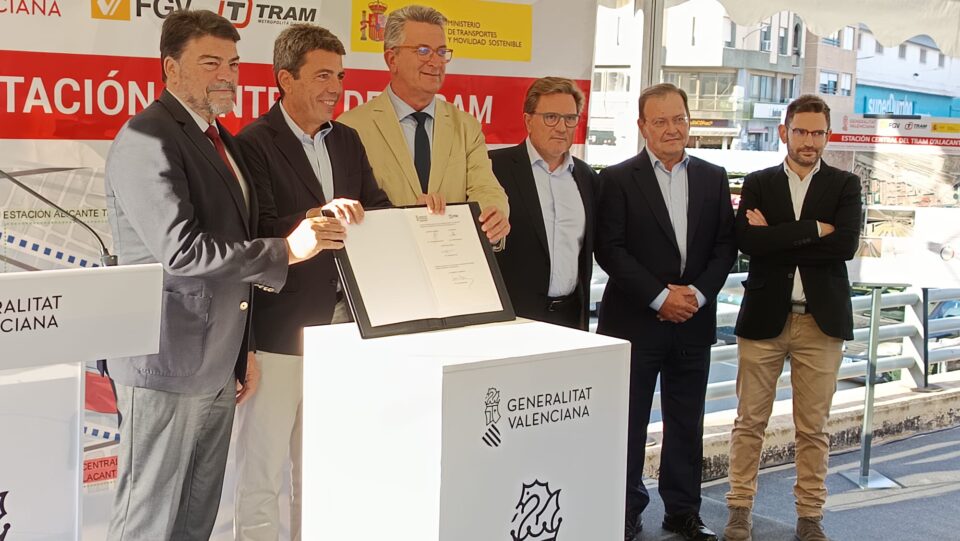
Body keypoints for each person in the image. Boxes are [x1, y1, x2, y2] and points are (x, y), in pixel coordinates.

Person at [102, 10, 338, 540]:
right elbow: (181, 250)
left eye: (232, 63)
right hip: (164, 363)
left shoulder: (222, 141)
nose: (227, 75)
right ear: (171, 68)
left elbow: (234, 249)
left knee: (196, 518)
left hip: (217, 364)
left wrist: (242, 349)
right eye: (211, 63)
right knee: (147, 521)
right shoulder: (146, 137)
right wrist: (287, 249)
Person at [233, 24, 392, 541]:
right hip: (279, 331)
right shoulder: (252, 143)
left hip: (344, 329)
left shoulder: (347, 139)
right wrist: (319, 215)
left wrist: (417, 216)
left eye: (340, 76)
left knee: (322, 469)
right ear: (286, 79)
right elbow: (258, 232)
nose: (335, 87)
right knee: (261, 473)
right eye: (322, 75)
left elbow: (374, 209)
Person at [595, 83, 737, 541]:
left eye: (679, 119)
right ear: (642, 127)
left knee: (686, 423)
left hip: (693, 321)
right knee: (628, 424)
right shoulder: (616, 178)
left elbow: (725, 246)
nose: (672, 129)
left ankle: (683, 512)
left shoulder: (714, 176)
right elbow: (609, 249)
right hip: (635, 322)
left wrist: (695, 294)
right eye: (660, 121)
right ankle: (625, 510)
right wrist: (660, 297)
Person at [723, 95, 862, 541]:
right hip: (765, 318)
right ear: (784, 132)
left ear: (827, 135)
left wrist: (777, 236)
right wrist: (814, 230)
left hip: (821, 323)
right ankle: (739, 509)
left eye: (817, 133)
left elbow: (845, 246)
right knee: (749, 422)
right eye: (801, 131)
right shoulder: (759, 182)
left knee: (813, 428)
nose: (809, 141)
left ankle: (809, 516)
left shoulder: (845, 184)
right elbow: (749, 243)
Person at [338, 4, 509, 245]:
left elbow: (486, 187)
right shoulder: (350, 128)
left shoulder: (466, 126)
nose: (436, 62)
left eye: (441, 52)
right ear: (392, 59)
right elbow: (345, 209)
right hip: (384, 259)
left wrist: (493, 213)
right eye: (423, 51)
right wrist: (407, 218)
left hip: (451, 260)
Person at [489, 77, 599, 330]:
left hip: (570, 317)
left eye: (570, 118)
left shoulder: (586, 177)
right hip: (512, 318)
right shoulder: (494, 168)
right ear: (528, 120)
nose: (561, 127)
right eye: (551, 117)